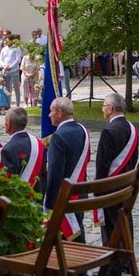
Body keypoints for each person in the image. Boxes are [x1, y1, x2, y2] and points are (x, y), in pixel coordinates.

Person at [93, 93, 139, 275]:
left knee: (111, 226)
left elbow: (102, 164)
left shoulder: (108, 131)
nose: (102, 109)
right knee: (126, 222)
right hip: (126, 184)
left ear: (110, 109)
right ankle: (127, 262)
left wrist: (98, 190)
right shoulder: (132, 128)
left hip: (111, 187)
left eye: (104, 105)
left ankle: (112, 266)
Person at [45, 97, 90, 243]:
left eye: (51, 111)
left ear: (59, 112)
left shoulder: (58, 137)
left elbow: (54, 174)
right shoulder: (83, 130)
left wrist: (49, 205)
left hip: (65, 199)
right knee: (78, 232)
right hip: (80, 194)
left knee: (68, 240)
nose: (48, 115)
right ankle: (82, 264)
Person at [1, 107, 44, 190]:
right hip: (39, 197)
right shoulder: (38, 143)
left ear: (9, 124)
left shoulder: (8, 149)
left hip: (19, 200)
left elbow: (7, 182)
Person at [0, 36, 22, 107]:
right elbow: (1, 60)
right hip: (6, 71)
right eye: (6, 41)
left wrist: (10, 66)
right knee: (7, 88)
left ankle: (18, 103)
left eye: (8, 41)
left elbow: (17, 60)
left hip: (14, 71)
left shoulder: (16, 48)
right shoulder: (4, 49)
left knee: (16, 87)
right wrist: (4, 66)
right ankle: (8, 104)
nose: (7, 42)